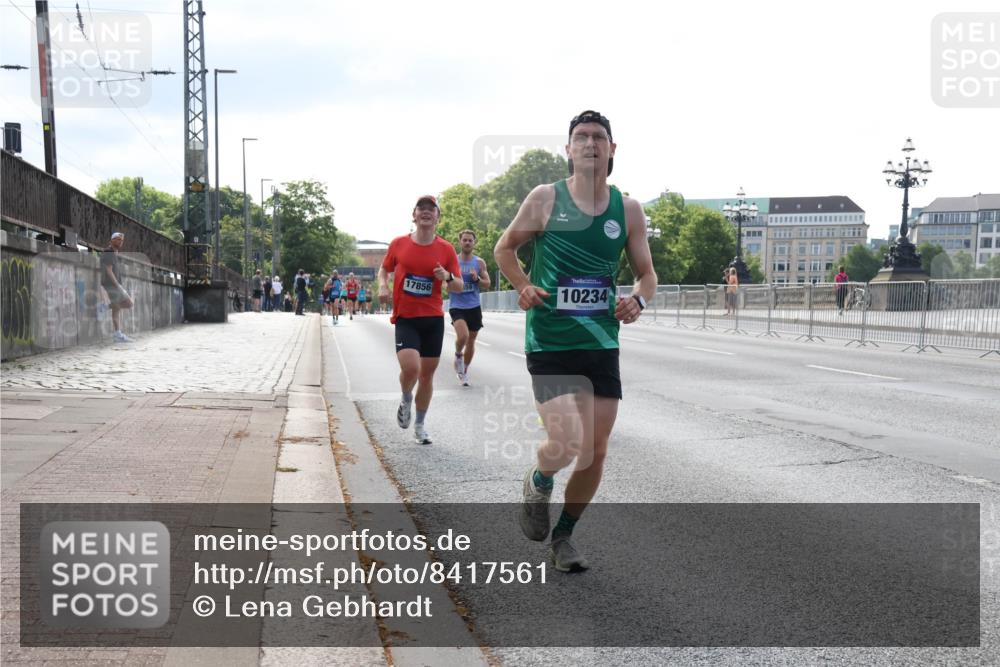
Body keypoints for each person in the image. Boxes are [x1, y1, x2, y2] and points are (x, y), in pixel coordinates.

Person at [494, 110, 656, 573]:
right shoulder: (546, 199)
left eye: (598, 137)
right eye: (581, 137)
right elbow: (505, 249)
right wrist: (523, 285)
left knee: (595, 450)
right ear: (568, 149)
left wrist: (639, 302)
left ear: (611, 150)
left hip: (601, 340)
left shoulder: (627, 210)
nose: (590, 144)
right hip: (550, 339)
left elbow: (647, 275)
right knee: (565, 442)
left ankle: (564, 536)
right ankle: (540, 477)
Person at [378, 195, 464, 445]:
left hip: (433, 319)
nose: (426, 212)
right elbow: (385, 269)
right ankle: (406, 398)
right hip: (406, 317)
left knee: (426, 377)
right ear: (413, 215)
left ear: (438, 217)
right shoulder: (398, 244)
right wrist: (383, 285)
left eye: (431, 209)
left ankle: (419, 425)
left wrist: (447, 276)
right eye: (421, 209)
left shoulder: (446, 249)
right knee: (411, 369)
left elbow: (458, 286)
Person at [449, 229, 491, 386]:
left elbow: (487, 284)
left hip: (474, 305)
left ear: (474, 243)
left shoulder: (479, 263)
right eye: (464, 240)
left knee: (471, 341)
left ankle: (464, 370)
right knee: (463, 336)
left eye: (470, 240)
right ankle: (458, 355)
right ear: (460, 242)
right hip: (457, 305)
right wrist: (453, 283)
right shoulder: (453, 260)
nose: (467, 242)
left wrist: (477, 278)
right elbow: (445, 284)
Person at [100, 231, 135, 343]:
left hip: (112, 285)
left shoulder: (113, 252)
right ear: (112, 240)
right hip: (112, 285)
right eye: (118, 239)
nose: (120, 242)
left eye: (122, 240)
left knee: (117, 309)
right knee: (129, 303)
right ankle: (104, 307)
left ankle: (117, 334)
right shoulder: (109, 251)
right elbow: (109, 271)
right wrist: (118, 286)